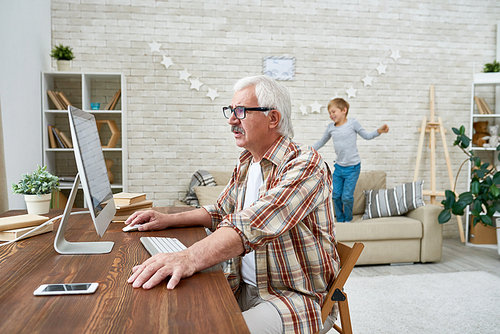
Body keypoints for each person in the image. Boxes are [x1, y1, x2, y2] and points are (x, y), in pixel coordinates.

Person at [125, 75, 340, 334]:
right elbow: (220, 211)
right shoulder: (247, 161)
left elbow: (253, 224)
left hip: (293, 299)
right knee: (170, 314)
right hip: (241, 285)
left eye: (241, 111)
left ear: (273, 118)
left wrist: (189, 257)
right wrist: (167, 219)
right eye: (231, 111)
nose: (231, 120)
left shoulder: (305, 164)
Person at [313, 98, 389, 223]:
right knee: (336, 195)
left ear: (344, 110)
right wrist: (308, 149)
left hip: (353, 167)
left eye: (333, 111)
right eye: (329, 113)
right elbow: (321, 142)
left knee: (347, 197)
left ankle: (348, 219)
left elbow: (366, 135)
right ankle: (340, 219)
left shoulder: (352, 123)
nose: (331, 115)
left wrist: (379, 131)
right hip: (339, 168)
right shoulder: (331, 127)